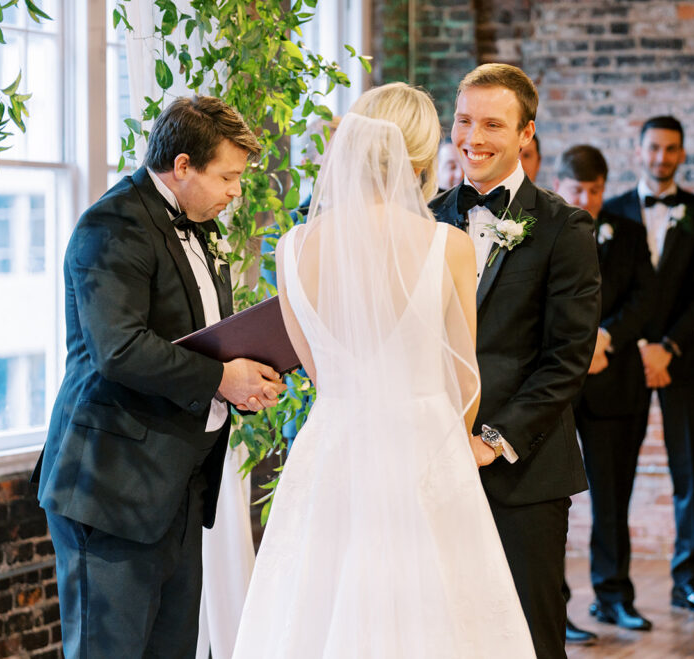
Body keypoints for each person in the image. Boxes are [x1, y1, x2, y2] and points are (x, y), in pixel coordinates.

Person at [232, 83, 536, 658]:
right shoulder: (448, 245)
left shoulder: (293, 247)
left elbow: (319, 370)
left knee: (321, 612)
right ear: (419, 159)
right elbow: (463, 377)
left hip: (336, 445)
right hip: (427, 444)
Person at [31, 96, 287, 658]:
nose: (235, 192)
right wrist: (221, 378)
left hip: (177, 488)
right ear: (183, 166)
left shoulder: (198, 226)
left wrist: (245, 379)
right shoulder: (113, 224)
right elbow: (118, 349)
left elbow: (199, 337)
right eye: (227, 176)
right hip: (113, 489)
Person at [431, 64, 601, 659]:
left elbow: (568, 358)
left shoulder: (564, 228)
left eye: (493, 124)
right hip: (434, 467)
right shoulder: (425, 220)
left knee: (530, 637)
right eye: (464, 120)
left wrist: (494, 438)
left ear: (526, 133)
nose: (473, 138)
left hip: (522, 472)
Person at [604, 115, 694, 616]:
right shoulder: (608, 212)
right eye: (653, 147)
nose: (661, 157)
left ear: (682, 155)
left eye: (671, 149)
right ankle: (612, 589)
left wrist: (667, 346)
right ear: (638, 150)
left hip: (679, 362)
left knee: (686, 472)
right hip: (623, 364)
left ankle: (687, 580)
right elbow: (605, 295)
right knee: (616, 479)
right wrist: (637, 347)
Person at [554, 145, 656, 631]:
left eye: (595, 189)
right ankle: (556, 607)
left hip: (614, 382)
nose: (589, 199)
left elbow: (646, 298)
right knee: (552, 499)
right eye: (579, 189)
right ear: (560, 185)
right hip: (556, 389)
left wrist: (606, 337)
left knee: (613, 496)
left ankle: (613, 596)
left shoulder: (630, 233)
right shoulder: (543, 231)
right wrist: (577, 343)